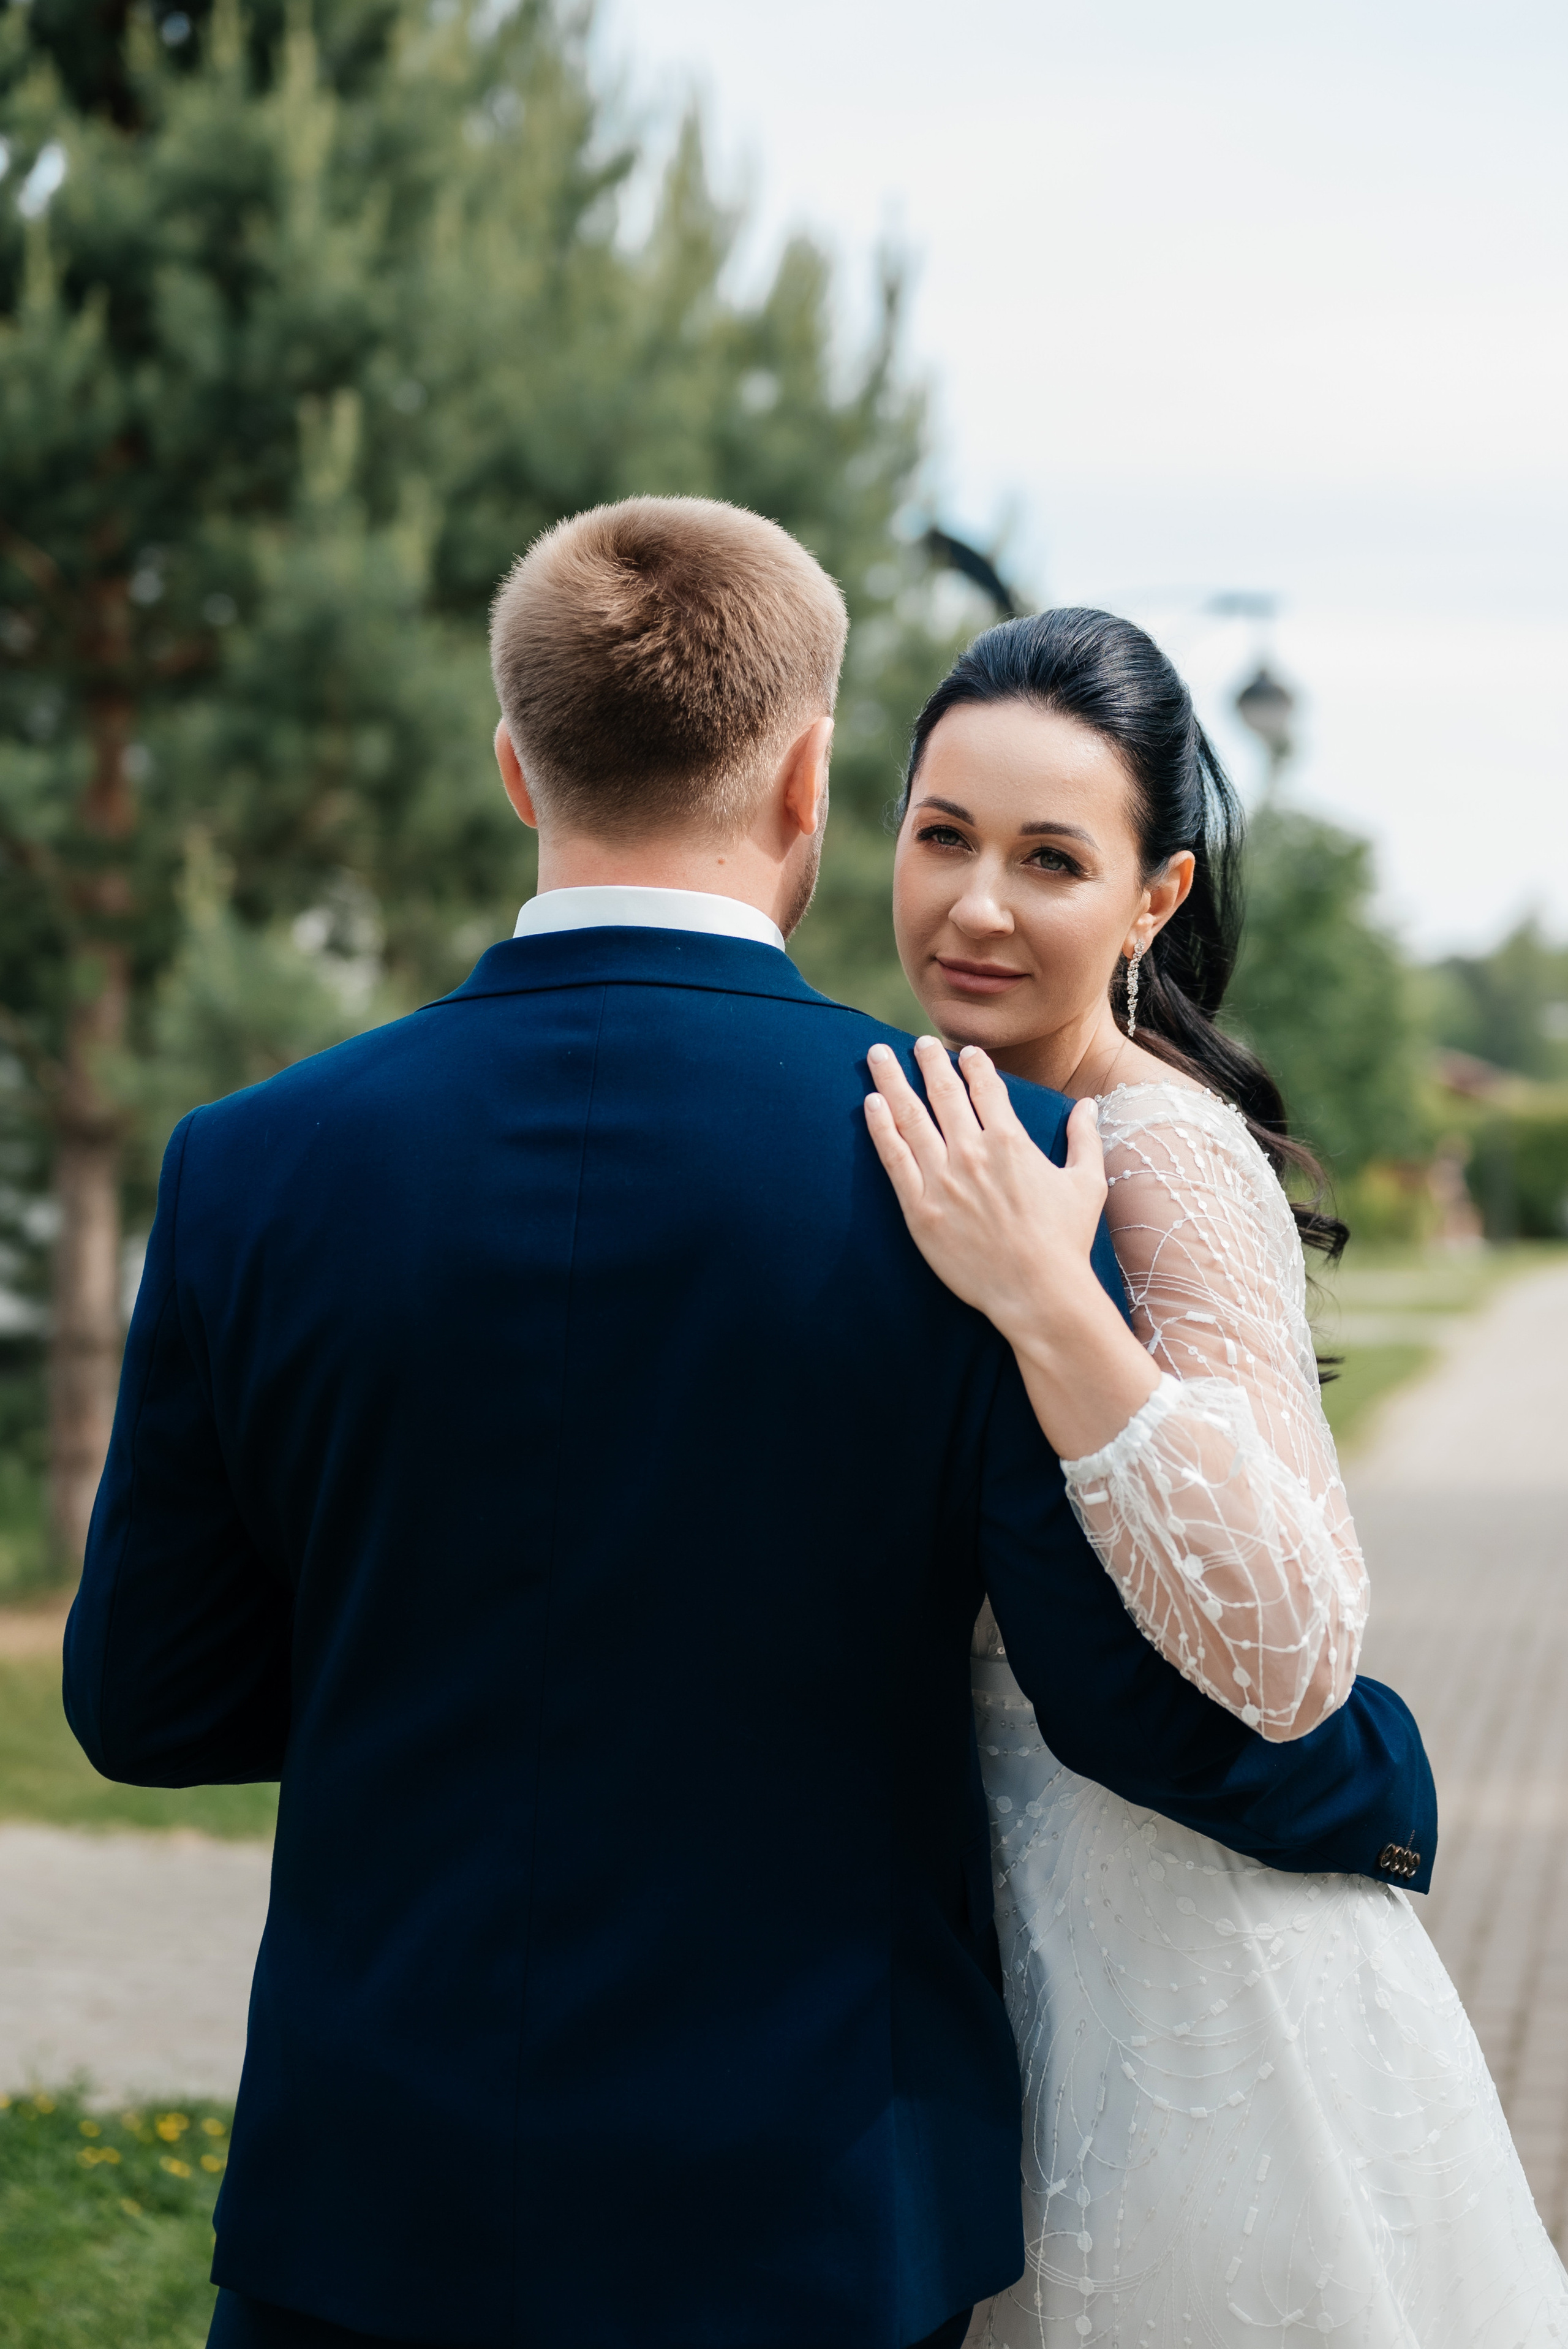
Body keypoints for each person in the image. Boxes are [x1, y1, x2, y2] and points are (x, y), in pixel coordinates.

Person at [66, 504, 1434, 2349]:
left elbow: (147, 1700)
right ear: (810, 782)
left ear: (510, 764)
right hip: (807, 2217)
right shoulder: (981, 1167)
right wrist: (1375, 1782)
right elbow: (1111, 1690)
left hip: (368, 2201)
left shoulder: (247, 1168)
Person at [862, 607, 1568, 2347]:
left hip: (1179, 1963)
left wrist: (1049, 1297)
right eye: (943, 833)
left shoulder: (1165, 1150)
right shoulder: (928, 1111)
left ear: (1152, 898)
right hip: (960, 1929)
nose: (976, 904)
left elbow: (1293, 1643)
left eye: (1050, 858)